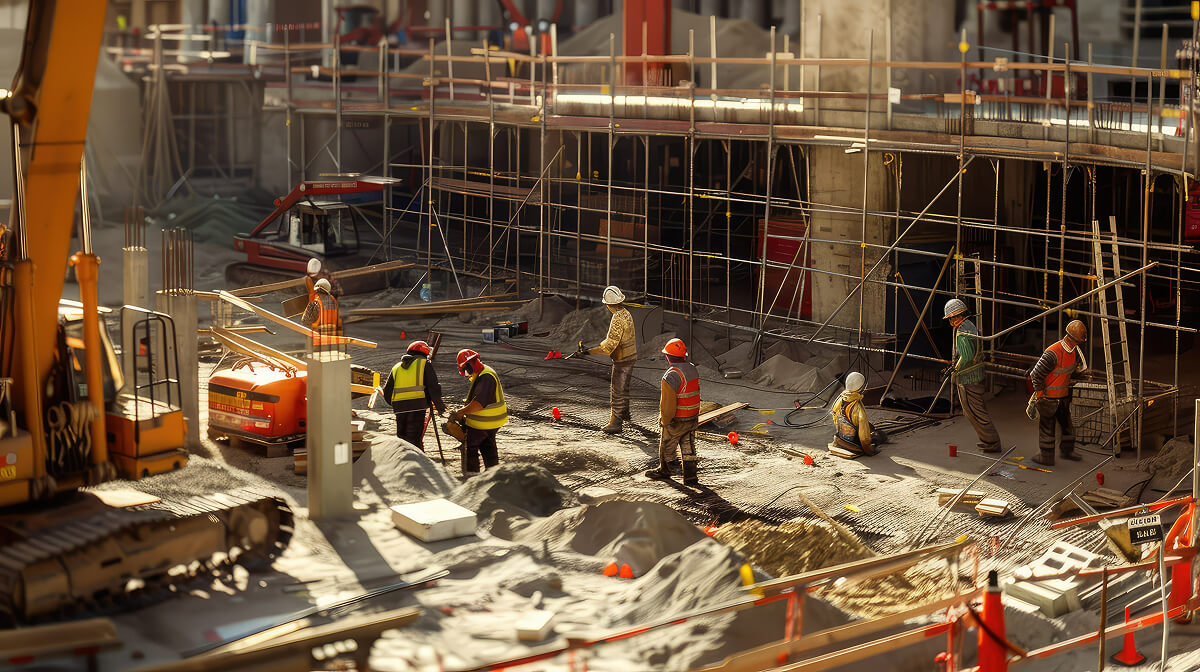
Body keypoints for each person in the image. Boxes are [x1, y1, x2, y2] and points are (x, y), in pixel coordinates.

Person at [943, 299, 1001, 453]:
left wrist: (955, 368)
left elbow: (967, 356)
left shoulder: (962, 331)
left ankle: (992, 442)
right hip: (975, 375)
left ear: (957, 316)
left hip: (969, 378)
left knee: (975, 412)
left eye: (950, 318)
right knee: (974, 411)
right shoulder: (970, 325)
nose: (950, 322)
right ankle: (988, 441)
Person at [1029, 319, 1088, 466]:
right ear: (1072, 339)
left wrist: (1080, 376)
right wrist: (1039, 394)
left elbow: (1075, 370)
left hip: (1063, 397)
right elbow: (1036, 374)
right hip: (1048, 398)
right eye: (1078, 341)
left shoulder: (1074, 351)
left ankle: (1067, 451)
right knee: (1047, 428)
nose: (1079, 344)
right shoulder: (1053, 353)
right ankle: (1046, 456)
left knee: (1067, 425)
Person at [645, 338, 701, 485]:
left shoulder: (670, 376)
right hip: (692, 417)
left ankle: (665, 470)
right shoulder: (692, 368)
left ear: (667, 357)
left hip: (677, 419)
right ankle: (690, 476)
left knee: (666, 445)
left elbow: (668, 404)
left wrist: (665, 421)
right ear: (684, 356)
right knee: (688, 446)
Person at [584, 285, 637, 434]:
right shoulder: (626, 313)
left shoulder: (617, 318)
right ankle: (625, 414)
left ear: (609, 304)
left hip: (622, 359)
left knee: (617, 390)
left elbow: (609, 346)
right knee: (624, 387)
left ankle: (616, 422)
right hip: (631, 356)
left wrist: (589, 352)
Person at [448, 349, 507, 475]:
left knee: (471, 447)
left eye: (465, 370)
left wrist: (460, 413)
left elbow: (479, 403)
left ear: (469, 365)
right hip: (492, 421)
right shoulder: (483, 373)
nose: (467, 374)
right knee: (487, 447)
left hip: (483, 422)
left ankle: (472, 476)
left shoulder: (486, 377)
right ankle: (494, 474)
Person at [382, 340, 446, 450]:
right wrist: (440, 407)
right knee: (414, 441)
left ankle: (403, 459)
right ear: (425, 354)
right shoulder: (424, 364)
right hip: (417, 407)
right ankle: (415, 460)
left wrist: (396, 405)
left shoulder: (396, 367)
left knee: (402, 441)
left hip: (400, 409)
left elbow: (387, 391)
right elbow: (433, 387)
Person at [828, 372, 885, 456]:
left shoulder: (839, 399)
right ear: (860, 388)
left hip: (841, 439)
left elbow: (836, 419)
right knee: (880, 435)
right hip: (854, 445)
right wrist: (869, 449)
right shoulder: (857, 408)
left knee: (870, 427)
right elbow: (864, 437)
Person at [300, 277, 340, 351]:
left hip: (317, 339)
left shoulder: (316, 302)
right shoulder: (333, 301)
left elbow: (305, 321)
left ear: (317, 289)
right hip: (331, 338)